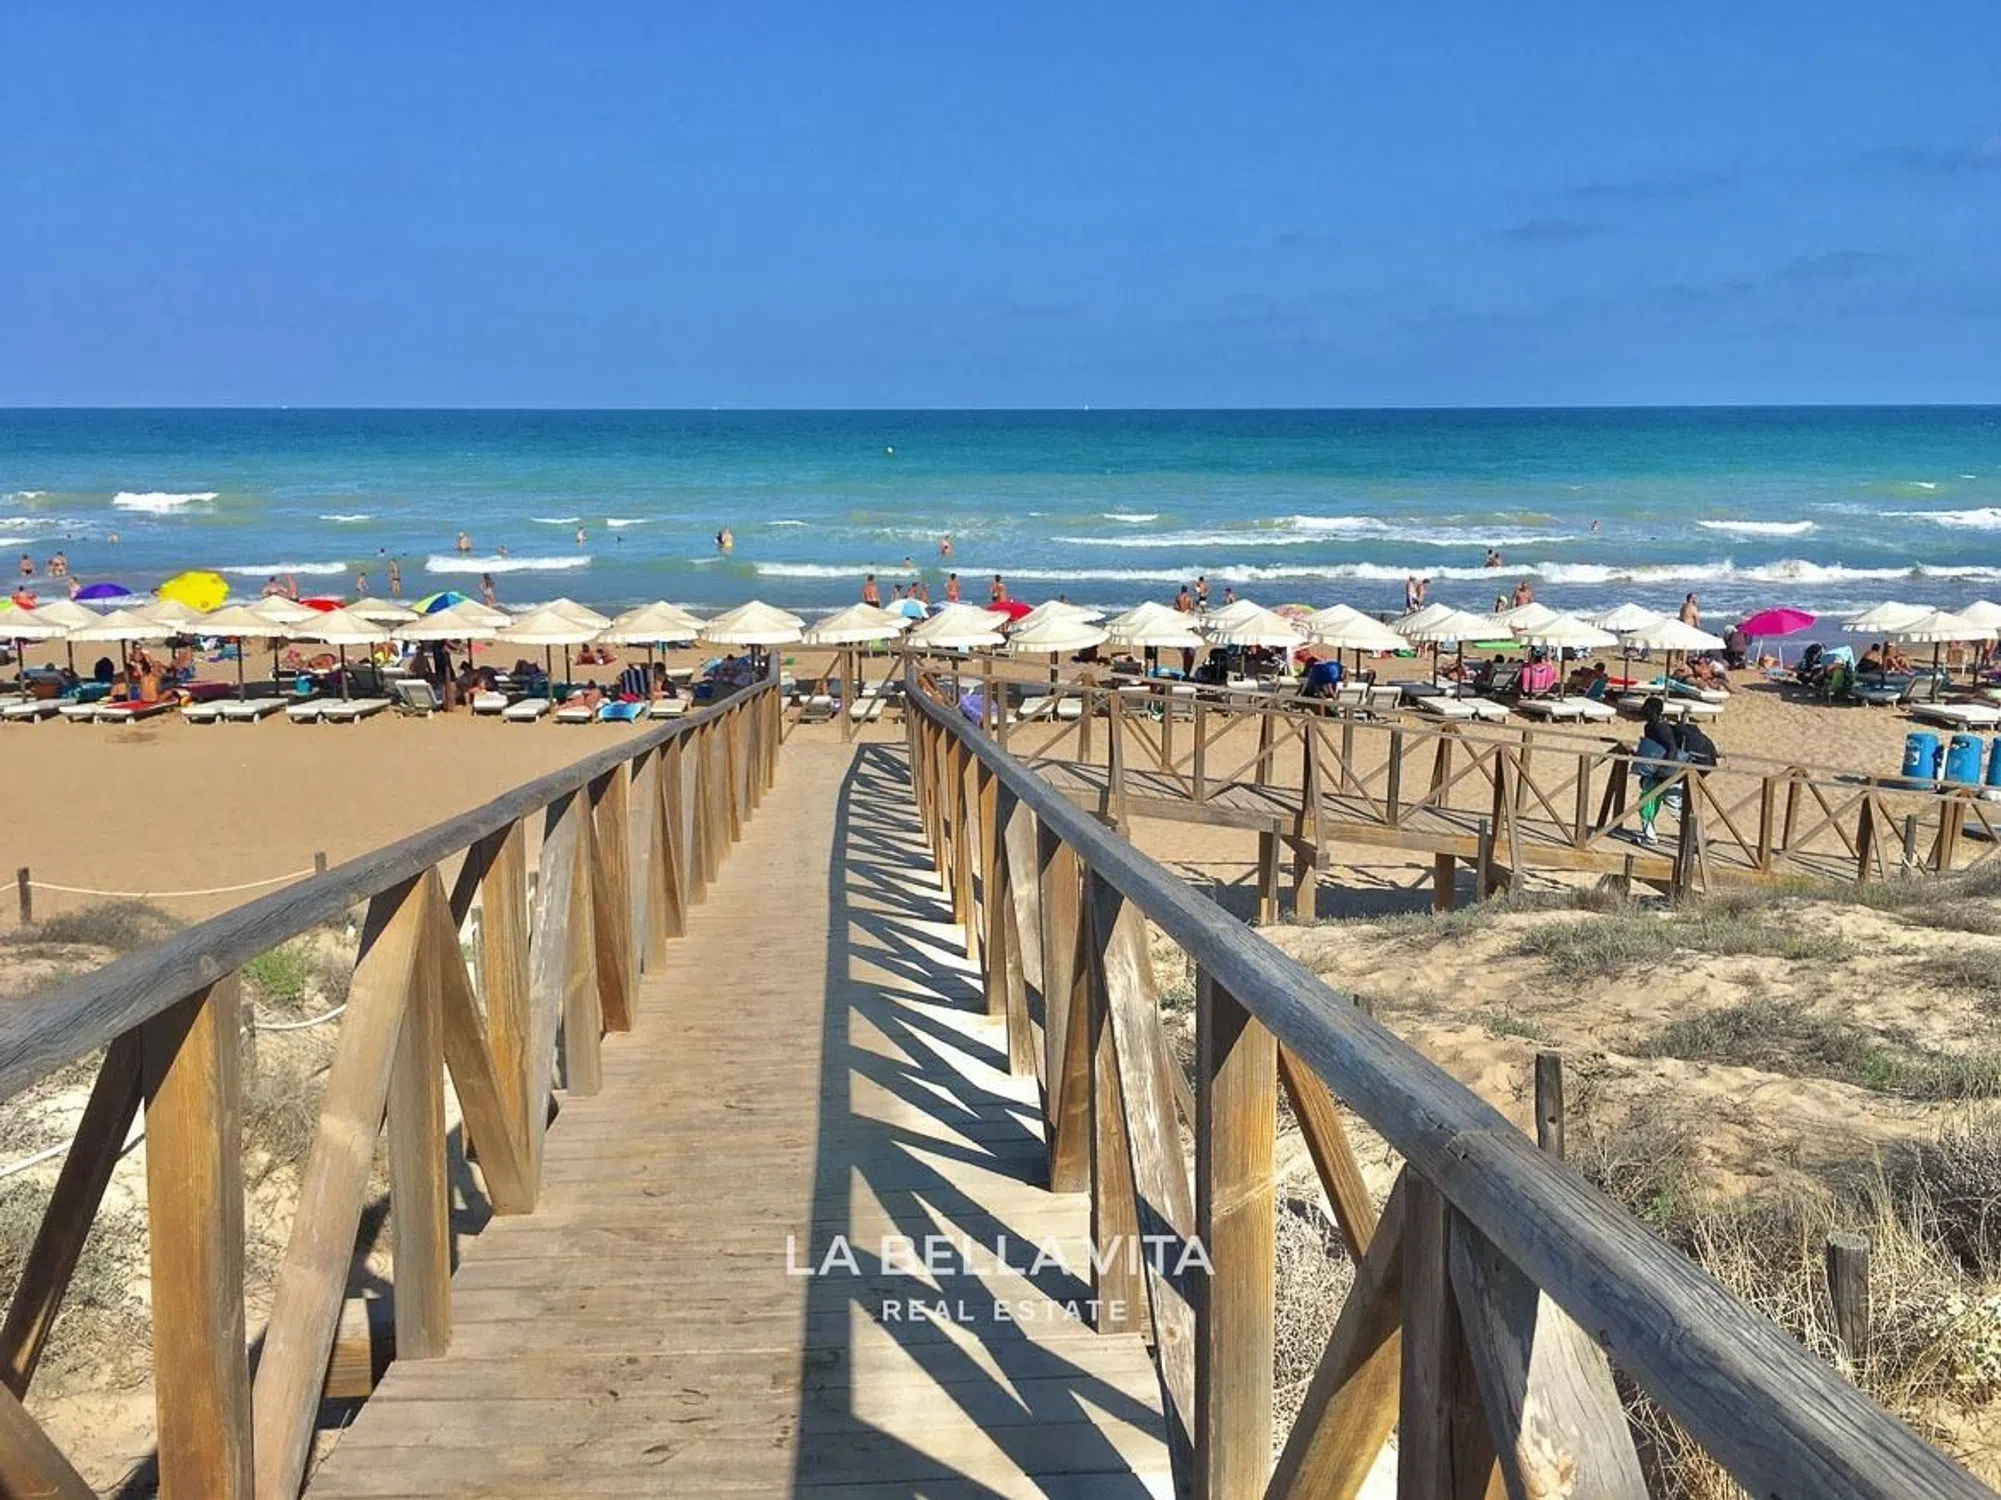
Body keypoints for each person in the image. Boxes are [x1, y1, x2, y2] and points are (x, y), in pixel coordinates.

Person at [1633, 698, 1680, 847]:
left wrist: (1663, 771)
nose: (1643, 709)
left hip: (1667, 772)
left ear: (1653, 710)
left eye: (1646, 707)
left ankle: (1697, 837)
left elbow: (1672, 749)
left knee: (1675, 806)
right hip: (1654, 773)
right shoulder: (1649, 727)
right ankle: (1650, 837)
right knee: (1646, 805)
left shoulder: (1661, 727)